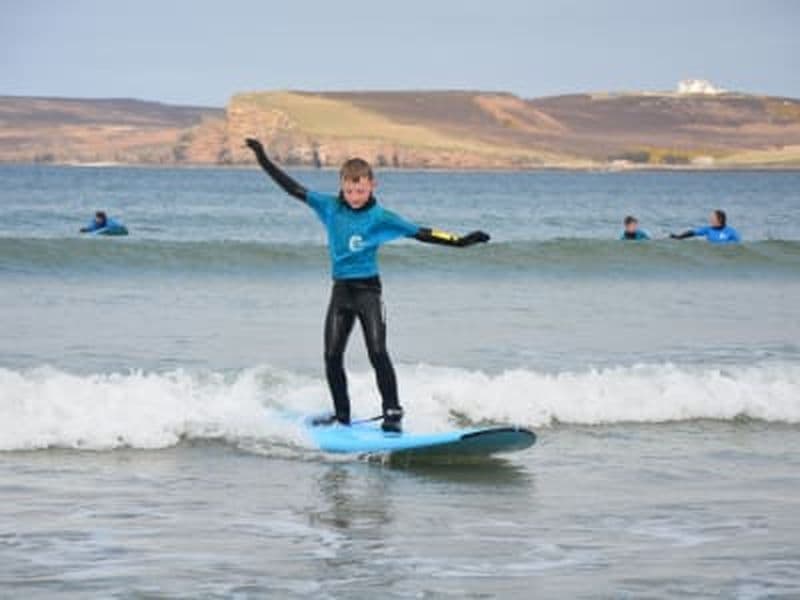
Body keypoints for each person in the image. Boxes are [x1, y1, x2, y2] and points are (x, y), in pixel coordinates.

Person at [245, 137, 490, 433]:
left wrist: (461, 241)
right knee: (332, 356)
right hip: (341, 292)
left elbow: (421, 233)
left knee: (377, 351)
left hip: (368, 292)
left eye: (360, 190)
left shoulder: (381, 217)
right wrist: (262, 157)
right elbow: (292, 188)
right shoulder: (330, 207)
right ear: (341, 187)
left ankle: (392, 411)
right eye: (349, 190)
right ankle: (342, 416)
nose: (354, 196)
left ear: (373, 185)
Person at [670, 210, 741, 244]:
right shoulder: (708, 229)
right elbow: (692, 233)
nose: (710, 219)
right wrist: (679, 237)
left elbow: (737, 245)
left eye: (713, 218)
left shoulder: (731, 232)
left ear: (719, 219)